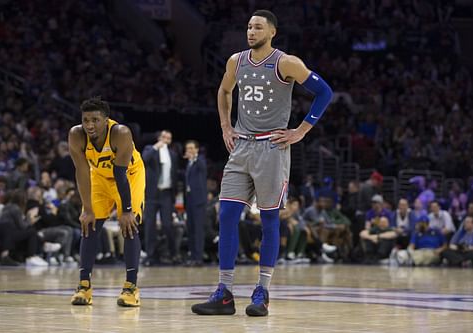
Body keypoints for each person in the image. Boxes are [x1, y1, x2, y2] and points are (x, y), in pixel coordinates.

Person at [191, 9, 333, 317]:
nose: (251, 32)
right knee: (227, 214)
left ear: (272, 33)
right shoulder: (235, 61)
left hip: (272, 146)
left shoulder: (287, 62)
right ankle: (224, 292)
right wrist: (225, 126)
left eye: (258, 27)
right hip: (241, 146)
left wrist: (301, 131)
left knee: (270, 220)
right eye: (248, 27)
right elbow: (224, 90)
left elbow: (324, 92)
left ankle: (262, 292)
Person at [68, 97, 145, 307]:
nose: (90, 125)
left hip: (129, 176)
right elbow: (82, 172)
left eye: (95, 120)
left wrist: (127, 211)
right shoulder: (76, 135)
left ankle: (131, 287)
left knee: (129, 225)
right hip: (100, 178)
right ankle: (84, 286)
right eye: (86, 120)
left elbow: (120, 174)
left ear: (106, 120)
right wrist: (87, 209)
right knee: (89, 224)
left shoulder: (121, 133)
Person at [142, 130, 179, 265]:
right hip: (152, 193)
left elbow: (175, 174)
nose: (166, 140)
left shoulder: (173, 155)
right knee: (150, 225)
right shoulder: (150, 150)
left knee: (168, 225)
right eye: (163, 137)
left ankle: (172, 254)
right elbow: (144, 159)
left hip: (166, 194)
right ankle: (150, 255)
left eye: (168, 138)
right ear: (158, 138)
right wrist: (156, 146)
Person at [184, 140, 207, 265]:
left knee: (198, 230)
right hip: (190, 201)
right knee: (191, 229)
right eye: (188, 148)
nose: (189, 150)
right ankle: (192, 256)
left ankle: (198, 257)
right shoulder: (189, 163)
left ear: (197, 149)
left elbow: (203, 168)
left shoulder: (200, 161)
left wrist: (194, 158)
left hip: (199, 201)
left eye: (192, 148)